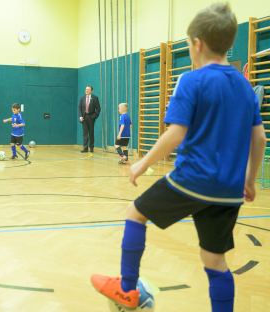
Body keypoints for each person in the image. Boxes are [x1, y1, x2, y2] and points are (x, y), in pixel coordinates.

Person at [90, 3, 266, 312]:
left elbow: (176, 133)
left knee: (135, 213)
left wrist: (143, 163)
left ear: (197, 44)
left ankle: (128, 290)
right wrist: (249, 181)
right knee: (215, 260)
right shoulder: (244, 85)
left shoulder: (191, 81)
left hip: (192, 180)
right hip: (228, 191)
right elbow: (259, 138)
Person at [78, 85, 101, 153]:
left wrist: (94, 116)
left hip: (91, 117)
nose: (86, 90)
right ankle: (85, 148)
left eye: (88, 89)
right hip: (84, 117)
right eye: (86, 89)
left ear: (91, 91)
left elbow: (98, 109)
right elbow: (79, 108)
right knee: (85, 133)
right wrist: (80, 116)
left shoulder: (95, 98)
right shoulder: (82, 98)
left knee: (91, 133)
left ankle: (91, 147)